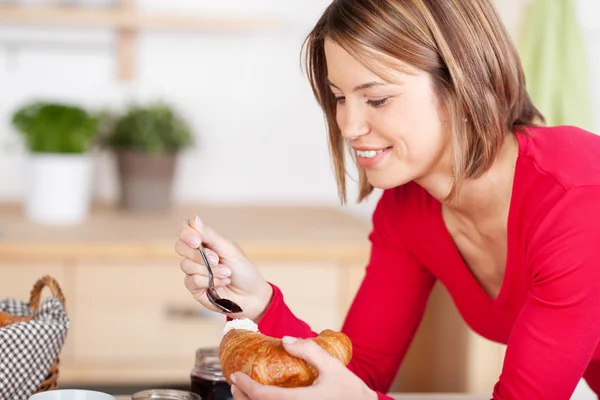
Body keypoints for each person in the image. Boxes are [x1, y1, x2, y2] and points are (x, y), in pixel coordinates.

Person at [175, 0, 600, 399]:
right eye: (339, 97)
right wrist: (260, 302)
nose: (348, 124)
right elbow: (359, 374)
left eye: (376, 98)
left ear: (464, 81)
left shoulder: (576, 199)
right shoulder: (408, 210)